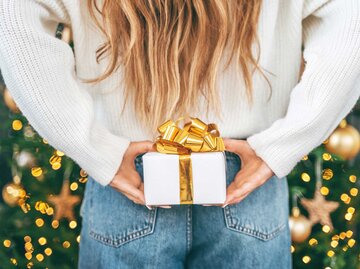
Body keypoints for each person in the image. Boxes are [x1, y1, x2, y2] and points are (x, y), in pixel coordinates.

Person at [0, 0, 359, 268]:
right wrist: (282, 145)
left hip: (130, 175)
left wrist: (93, 147)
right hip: (246, 180)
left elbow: (14, 17)